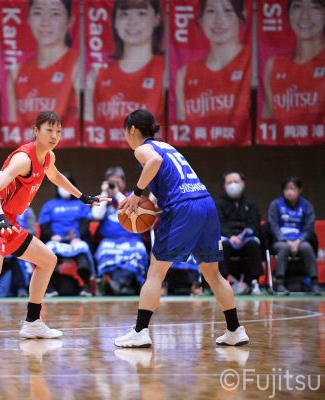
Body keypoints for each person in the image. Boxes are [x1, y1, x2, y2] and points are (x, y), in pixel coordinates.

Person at [0, 111, 108, 346]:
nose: (54, 136)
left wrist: (83, 197)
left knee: (47, 260)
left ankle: (32, 322)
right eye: (49, 130)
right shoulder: (23, 159)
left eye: (58, 131)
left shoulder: (48, 157)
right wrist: (0, 218)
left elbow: (56, 176)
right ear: (35, 131)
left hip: (10, 221)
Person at [114, 109, 249, 348]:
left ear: (132, 130)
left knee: (156, 272)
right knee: (212, 273)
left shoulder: (143, 149)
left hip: (184, 208)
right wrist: (149, 208)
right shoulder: (167, 147)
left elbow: (154, 163)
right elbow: (167, 184)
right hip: (205, 204)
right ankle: (235, 329)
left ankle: (140, 331)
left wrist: (136, 194)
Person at [85, 0, 165, 131]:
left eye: (141, 13)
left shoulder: (168, 70)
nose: (132, 21)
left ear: (157, 19)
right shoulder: (97, 73)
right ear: (115, 22)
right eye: (124, 14)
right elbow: (88, 128)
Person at [7, 0, 80, 138]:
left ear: (70, 20)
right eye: (38, 12)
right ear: (28, 18)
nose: (45, 22)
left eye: (55, 13)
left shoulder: (78, 64)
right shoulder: (16, 71)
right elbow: (13, 129)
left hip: (67, 146)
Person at [175, 0, 250, 124]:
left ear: (242, 15)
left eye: (228, 10)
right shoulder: (185, 74)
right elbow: (182, 127)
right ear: (201, 18)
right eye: (211, 11)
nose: (219, 21)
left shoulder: (252, 63)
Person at [262, 0, 325, 120]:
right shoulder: (274, 65)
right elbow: (267, 121)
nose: (304, 16)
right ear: (289, 13)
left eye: (315, 7)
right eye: (298, 6)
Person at [92, 167, 149, 295]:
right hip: (109, 241)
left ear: (124, 183)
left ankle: (118, 283)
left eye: (118, 182)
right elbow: (96, 215)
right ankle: (120, 283)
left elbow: (132, 210)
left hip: (132, 240)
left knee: (136, 253)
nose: (115, 185)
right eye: (112, 183)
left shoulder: (132, 197)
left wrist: (117, 193)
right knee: (105, 253)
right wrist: (104, 193)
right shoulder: (104, 199)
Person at [39, 172, 95, 296]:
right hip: (56, 241)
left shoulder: (81, 204)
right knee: (49, 256)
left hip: (75, 240)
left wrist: (78, 236)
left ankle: (86, 287)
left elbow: (85, 223)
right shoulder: (49, 205)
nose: (64, 189)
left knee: (83, 253)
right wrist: (52, 235)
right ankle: (50, 287)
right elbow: (44, 225)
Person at [268, 177, 321, 294]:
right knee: (283, 248)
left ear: (300, 190)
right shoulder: (275, 205)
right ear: (283, 191)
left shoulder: (307, 206)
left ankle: (314, 283)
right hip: (281, 241)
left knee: (307, 247)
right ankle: (280, 283)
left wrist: (298, 241)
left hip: (300, 241)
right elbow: (273, 225)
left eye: (293, 188)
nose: (290, 192)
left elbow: (309, 227)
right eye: (287, 189)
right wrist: (286, 241)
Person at [216, 171, 263, 295]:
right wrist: (230, 236)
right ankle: (222, 283)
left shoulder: (251, 203)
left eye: (236, 182)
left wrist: (243, 236)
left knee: (254, 245)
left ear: (243, 183)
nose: (233, 185)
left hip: (246, 238)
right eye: (229, 182)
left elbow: (254, 224)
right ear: (224, 185)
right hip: (227, 238)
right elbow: (218, 223)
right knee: (221, 246)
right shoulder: (219, 203)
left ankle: (254, 282)